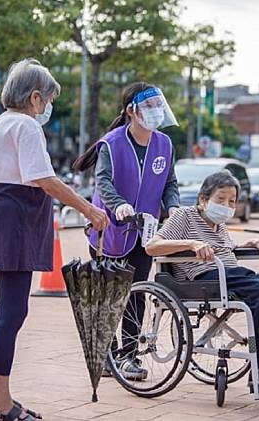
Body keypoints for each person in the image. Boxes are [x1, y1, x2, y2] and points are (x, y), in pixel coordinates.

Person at [0, 58, 109, 421]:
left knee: (11, 312)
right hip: (15, 221)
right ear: (34, 98)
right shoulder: (26, 127)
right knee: (12, 313)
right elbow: (45, 179)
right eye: (47, 100)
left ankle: (1, 399)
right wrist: (89, 210)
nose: (47, 108)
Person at [145, 170, 259, 387]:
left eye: (231, 201)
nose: (226, 205)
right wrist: (192, 244)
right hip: (205, 278)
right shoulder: (184, 216)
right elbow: (152, 247)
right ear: (203, 199)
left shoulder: (218, 224)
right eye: (220, 199)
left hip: (231, 274)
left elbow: (226, 249)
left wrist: (250, 245)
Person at [72, 82, 180, 380]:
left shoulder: (164, 144)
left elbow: (170, 183)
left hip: (145, 231)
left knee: (137, 294)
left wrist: (173, 208)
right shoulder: (113, 143)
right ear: (131, 110)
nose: (156, 112)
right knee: (109, 296)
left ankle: (129, 356)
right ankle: (107, 352)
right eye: (149, 107)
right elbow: (103, 182)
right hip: (110, 230)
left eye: (159, 106)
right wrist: (117, 204)